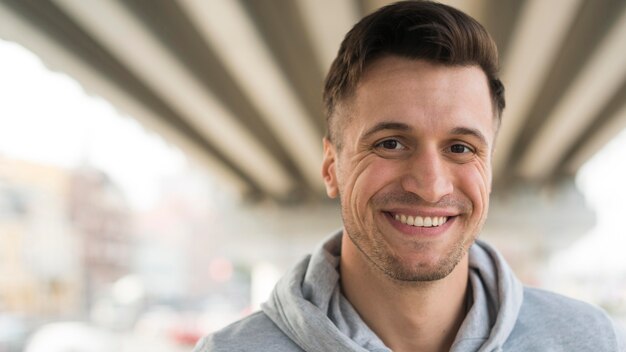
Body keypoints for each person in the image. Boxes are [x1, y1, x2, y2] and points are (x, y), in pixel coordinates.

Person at [193, 1, 625, 351]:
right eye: (391, 143)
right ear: (331, 167)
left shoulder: (585, 340)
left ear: (489, 170)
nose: (431, 185)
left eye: (461, 148)